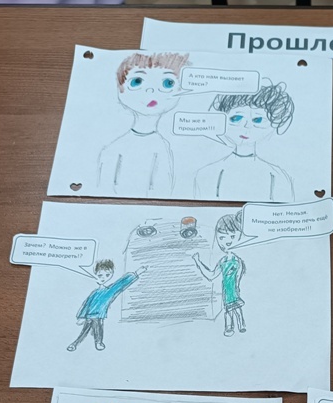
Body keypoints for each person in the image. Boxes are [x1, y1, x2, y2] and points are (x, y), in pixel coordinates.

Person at [98, 52, 189, 197]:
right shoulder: (113, 148)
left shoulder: (163, 146)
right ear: (120, 88)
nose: (151, 91)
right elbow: (103, 189)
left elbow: (163, 192)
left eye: (168, 83)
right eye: (137, 81)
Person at [194, 83, 295, 203]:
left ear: (273, 123)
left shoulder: (276, 176)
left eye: (258, 120)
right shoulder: (208, 173)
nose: (247, 126)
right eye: (236, 118)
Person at [68, 259, 146, 352]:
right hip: (89, 316)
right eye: (100, 275)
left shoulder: (110, 290)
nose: (103, 278)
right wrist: (81, 317)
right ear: (95, 275)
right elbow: (86, 305)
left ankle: (97, 343)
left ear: (112, 274)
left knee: (97, 328)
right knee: (84, 331)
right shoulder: (94, 293)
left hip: (98, 316)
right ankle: (75, 344)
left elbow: (121, 283)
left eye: (107, 275)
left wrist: (136, 273)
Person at [192, 213, 247, 337]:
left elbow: (239, 276)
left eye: (232, 236)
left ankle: (241, 325)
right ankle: (229, 328)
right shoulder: (222, 261)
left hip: (234, 291)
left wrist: (237, 287)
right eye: (222, 238)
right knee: (229, 311)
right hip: (226, 292)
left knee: (237, 309)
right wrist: (198, 262)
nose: (227, 241)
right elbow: (211, 275)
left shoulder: (237, 260)